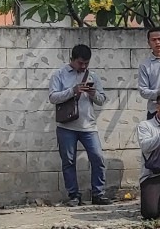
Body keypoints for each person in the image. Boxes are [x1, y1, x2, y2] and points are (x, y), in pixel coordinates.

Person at [47, 43, 112, 207]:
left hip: (88, 126)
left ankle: (98, 194)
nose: (83, 66)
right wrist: (73, 91)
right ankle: (74, 196)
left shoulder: (93, 76)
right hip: (66, 126)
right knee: (68, 161)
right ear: (72, 59)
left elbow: (102, 100)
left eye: (86, 63)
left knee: (98, 158)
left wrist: (93, 93)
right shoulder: (59, 74)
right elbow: (53, 97)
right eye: (80, 63)